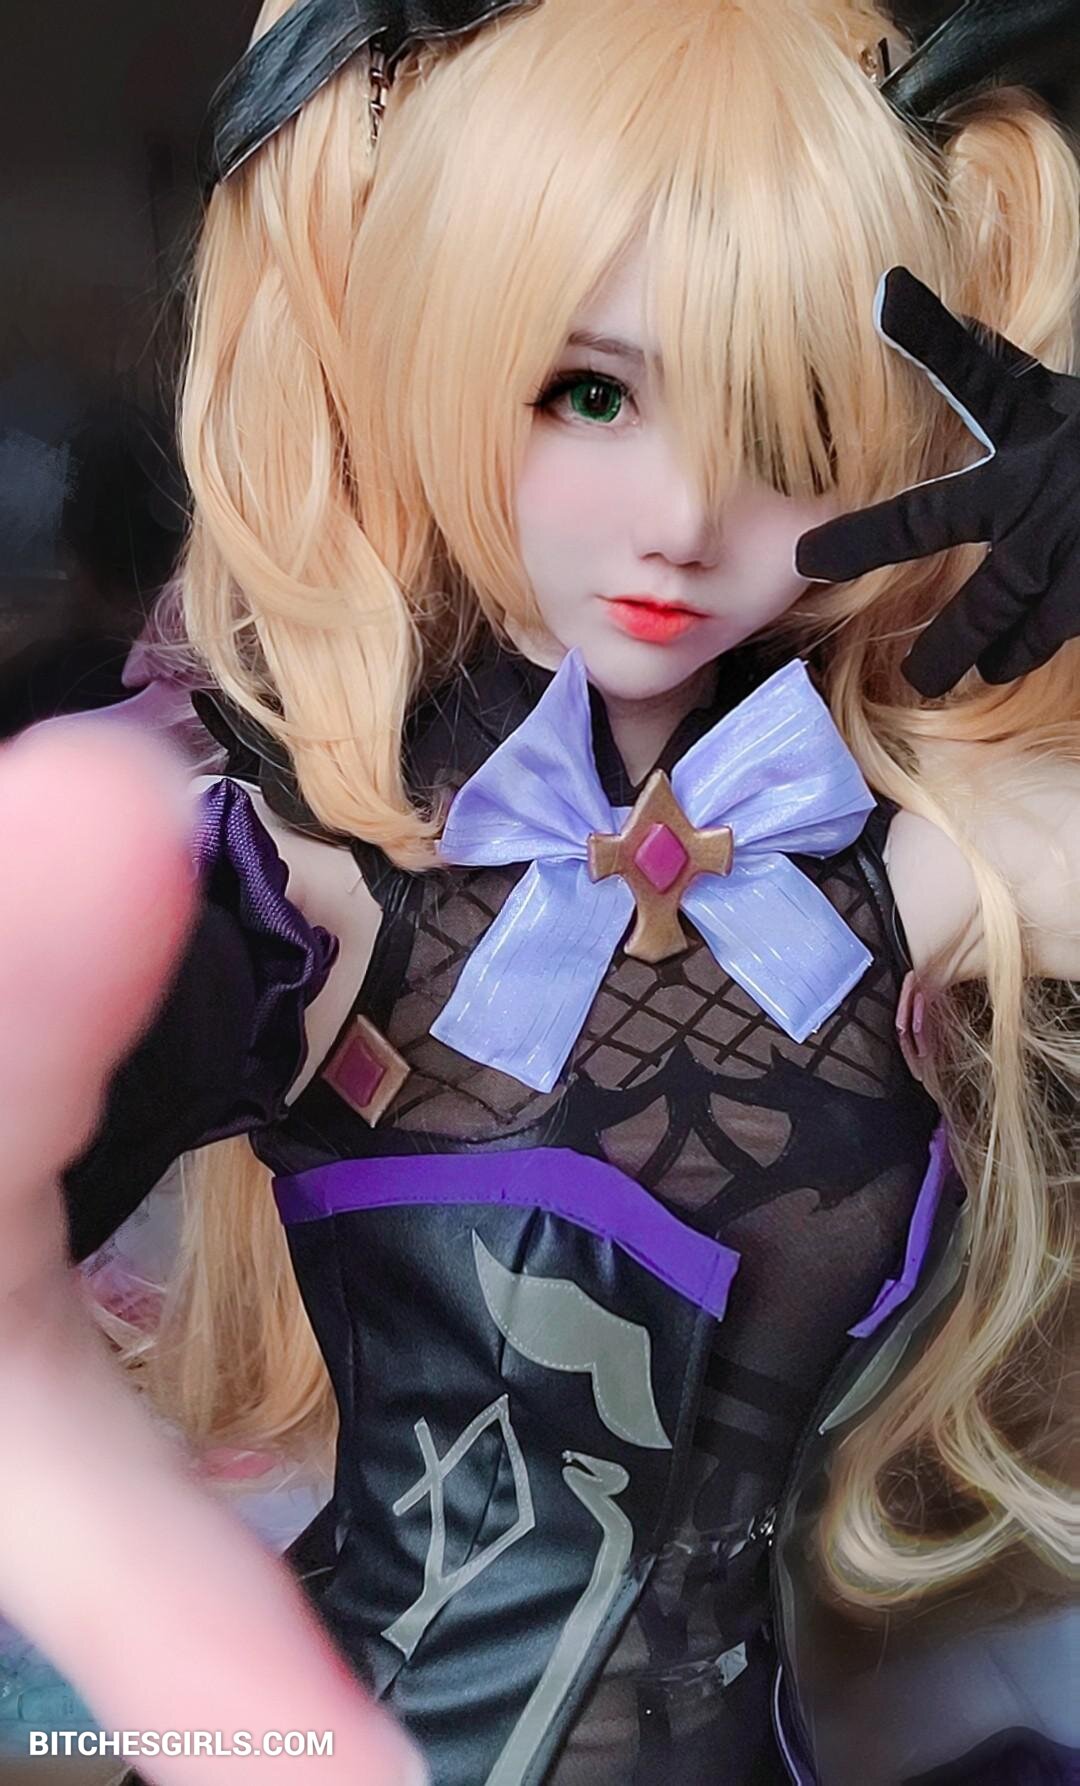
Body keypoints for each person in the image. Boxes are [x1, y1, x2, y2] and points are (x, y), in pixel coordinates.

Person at [1, 0, 1077, 1780]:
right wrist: (218, 1694)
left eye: (791, 418)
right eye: (590, 392)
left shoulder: (915, 865)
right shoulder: (314, 888)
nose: (685, 512)